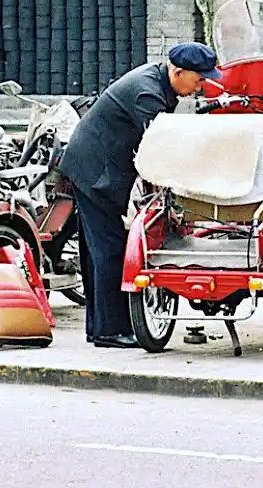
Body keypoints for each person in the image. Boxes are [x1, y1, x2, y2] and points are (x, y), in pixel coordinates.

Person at [59, 42, 222, 348]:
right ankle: (111, 331)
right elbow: (159, 151)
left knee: (97, 252)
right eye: (199, 80)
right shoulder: (148, 94)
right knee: (110, 251)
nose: (200, 88)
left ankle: (98, 328)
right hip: (96, 172)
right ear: (179, 72)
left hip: (97, 167)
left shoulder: (159, 83)